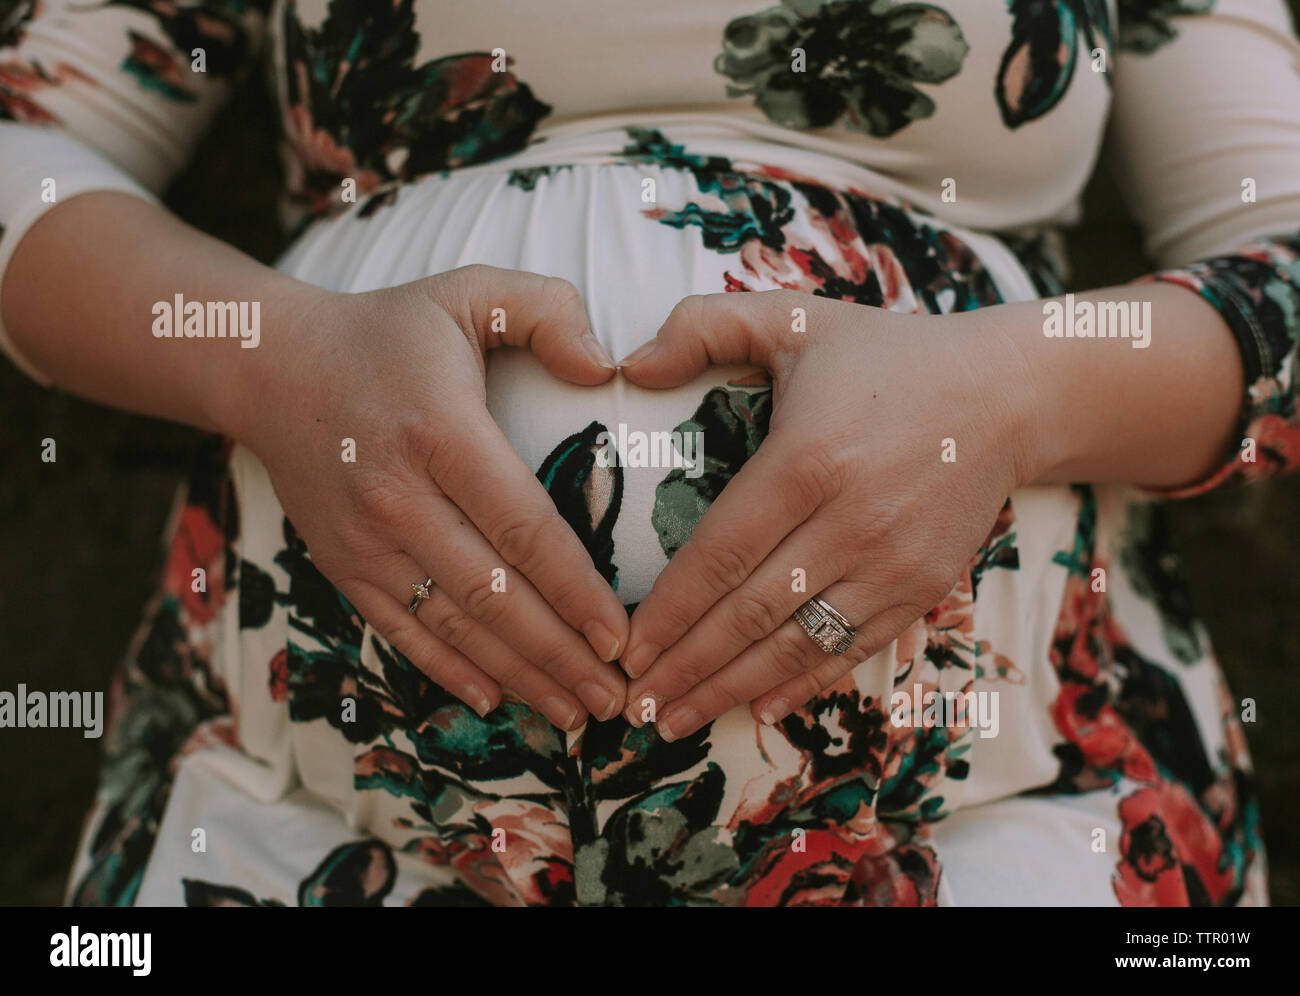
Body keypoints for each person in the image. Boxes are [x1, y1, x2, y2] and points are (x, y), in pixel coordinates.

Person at [1, 0, 1296, 907]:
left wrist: (1006, 398)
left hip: (1010, 827)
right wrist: (274, 359)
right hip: (300, 831)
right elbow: (25, 151)